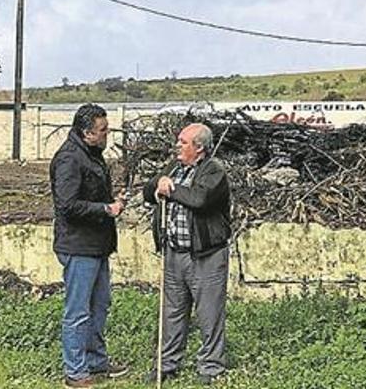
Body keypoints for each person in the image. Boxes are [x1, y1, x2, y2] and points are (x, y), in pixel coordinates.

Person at [143, 122, 232, 385]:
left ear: (199, 147)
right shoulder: (174, 168)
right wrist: (158, 183)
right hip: (174, 253)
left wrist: (169, 189)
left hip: (206, 256)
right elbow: (149, 192)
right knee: (172, 312)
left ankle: (211, 366)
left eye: (183, 142)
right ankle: (168, 364)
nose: (177, 146)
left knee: (209, 313)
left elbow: (200, 199)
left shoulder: (214, 171)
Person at [51, 103, 128, 388]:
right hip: (78, 246)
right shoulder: (70, 159)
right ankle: (75, 371)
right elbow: (67, 205)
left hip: (97, 245)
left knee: (99, 305)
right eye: (103, 130)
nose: (107, 134)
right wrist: (106, 209)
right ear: (87, 133)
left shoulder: (92, 155)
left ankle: (96, 362)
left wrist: (112, 200)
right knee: (78, 311)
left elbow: (91, 195)